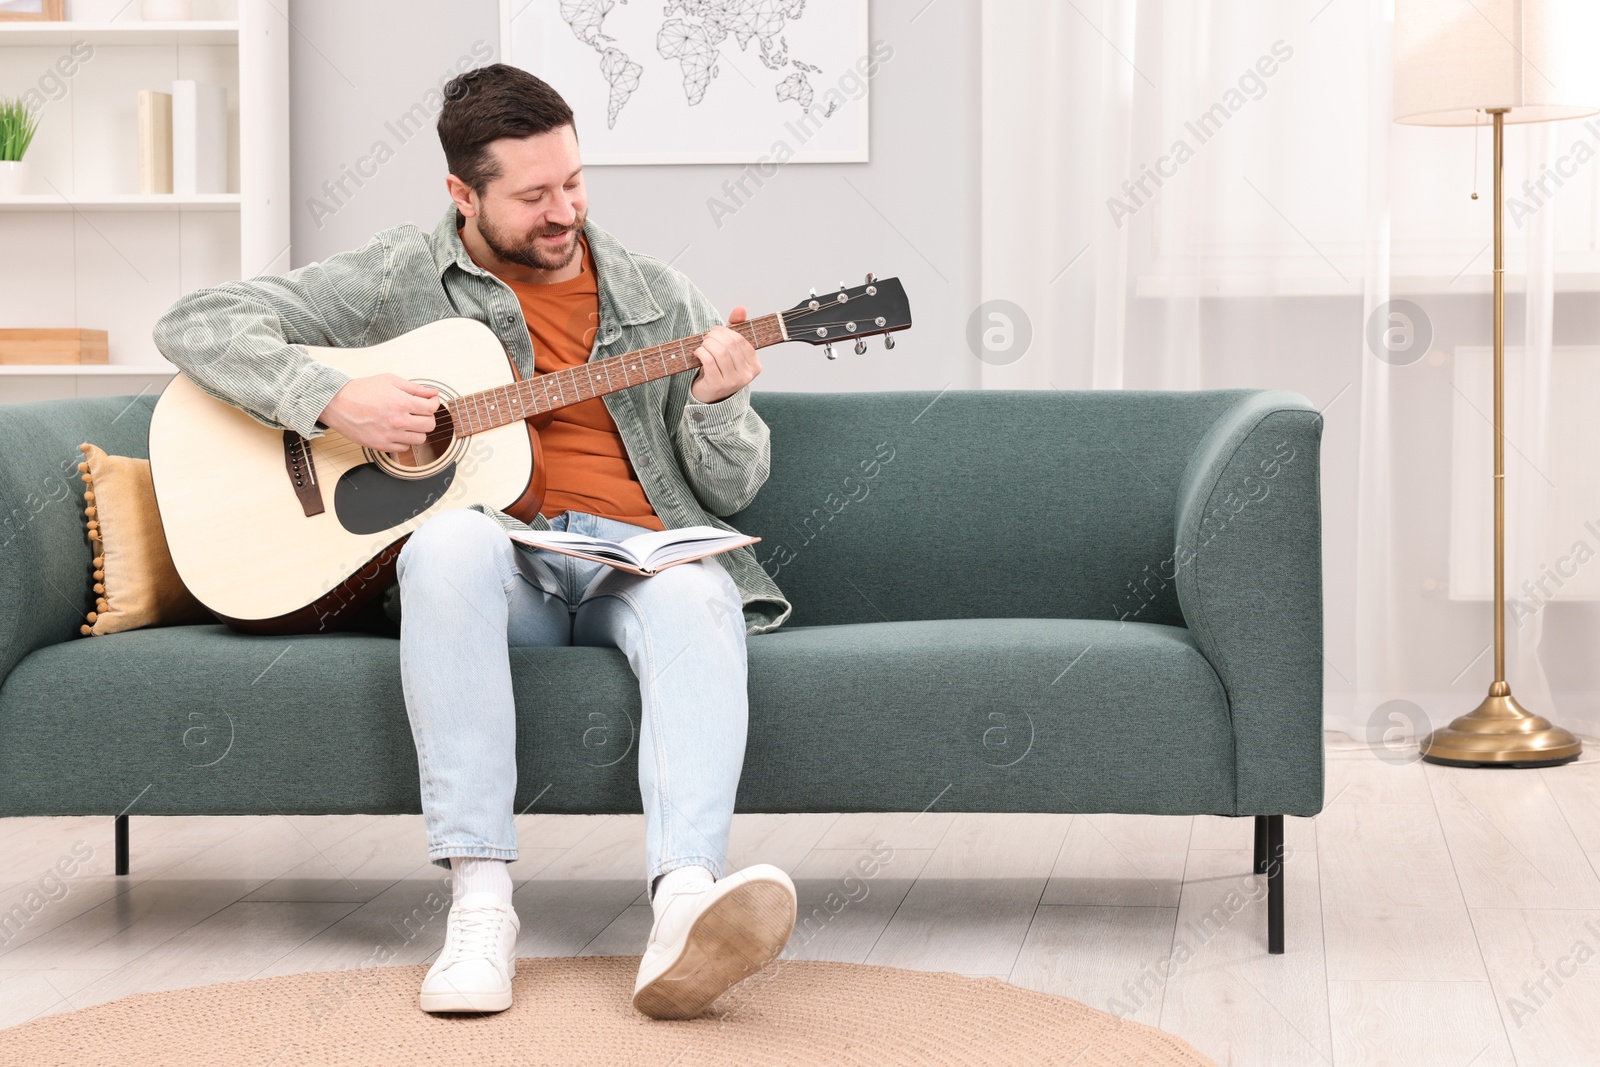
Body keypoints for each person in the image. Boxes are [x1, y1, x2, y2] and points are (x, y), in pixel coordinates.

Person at [153, 63, 797, 1020]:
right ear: (463, 192)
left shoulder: (660, 297)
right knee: (447, 543)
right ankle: (481, 907)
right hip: (505, 570)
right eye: (532, 195)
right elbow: (194, 321)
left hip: (637, 564)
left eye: (573, 183)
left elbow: (733, 486)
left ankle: (684, 903)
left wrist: (719, 398)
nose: (562, 211)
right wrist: (334, 396)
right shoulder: (399, 276)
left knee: (705, 589)